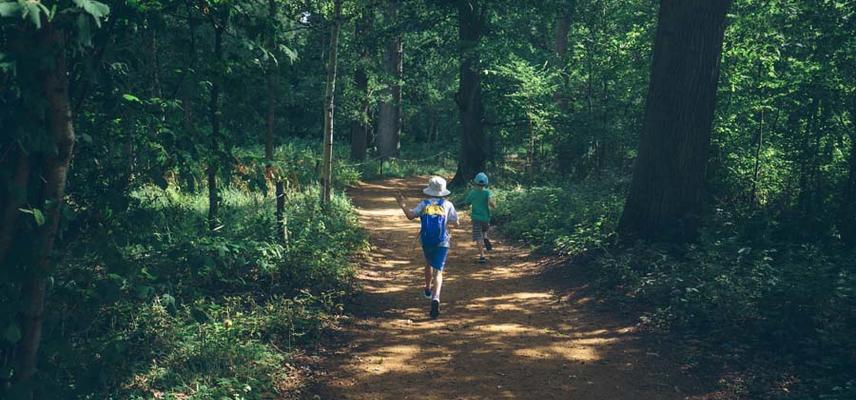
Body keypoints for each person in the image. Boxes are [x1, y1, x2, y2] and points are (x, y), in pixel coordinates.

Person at [395, 176, 459, 319]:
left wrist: (402, 204)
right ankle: (436, 298)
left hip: (426, 241)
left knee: (428, 263)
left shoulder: (424, 204)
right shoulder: (448, 205)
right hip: (442, 242)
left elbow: (410, 215)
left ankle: (427, 288)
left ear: (429, 190)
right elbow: (456, 223)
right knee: (439, 272)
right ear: (443, 191)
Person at [464, 172, 496, 264]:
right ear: (486, 183)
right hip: (486, 217)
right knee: (484, 230)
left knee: (478, 236)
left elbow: (467, 202)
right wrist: (493, 205)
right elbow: (491, 203)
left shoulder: (473, 193)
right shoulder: (487, 192)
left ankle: (482, 256)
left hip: (476, 218)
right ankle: (485, 236)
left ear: (475, 182)